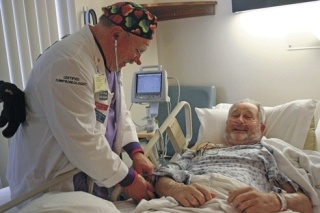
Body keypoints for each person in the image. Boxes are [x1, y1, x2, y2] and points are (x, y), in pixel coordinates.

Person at [7, 2, 157, 207]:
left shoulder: (106, 60)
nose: (137, 60)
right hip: (50, 187)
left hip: (84, 178)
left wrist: (136, 152)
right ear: (115, 36)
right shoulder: (69, 61)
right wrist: (128, 180)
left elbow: (118, 113)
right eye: (138, 50)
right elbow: (83, 140)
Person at [154, 99, 313, 213]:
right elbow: (161, 176)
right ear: (227, 124)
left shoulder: (266, 152)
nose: (240, 121)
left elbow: (305, 203)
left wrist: (277, 201)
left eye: (248, 116)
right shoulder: (202, 149)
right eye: (235, 116)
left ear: (261, 128)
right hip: (186, 202)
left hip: (237, 203)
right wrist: (175, 189)